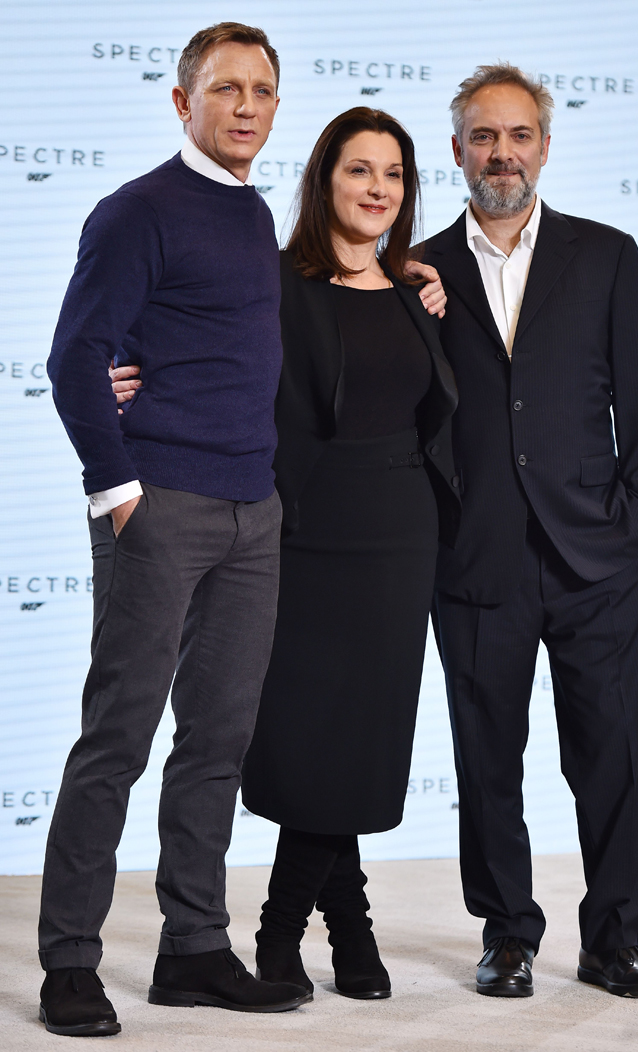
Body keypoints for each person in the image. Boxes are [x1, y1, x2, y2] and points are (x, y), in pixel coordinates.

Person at [112, 107, 460, 1003]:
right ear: (324, 180)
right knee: (310, 738)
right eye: (359, 170)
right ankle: (323, 929)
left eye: (393, 174)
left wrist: (415, 283)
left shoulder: (419, 289)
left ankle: (308, 929)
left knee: (362, 738)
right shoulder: (271, 280)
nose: (377, 188)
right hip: (300, 529)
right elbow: (194, 342)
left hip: (399, 537)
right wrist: (129, 375)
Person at [39, 22, 313, 1037]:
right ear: (182, 101)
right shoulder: (137, 211)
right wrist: (119, 492)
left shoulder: (252, 213)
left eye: (262, 90)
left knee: (217, 740)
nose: (246, 106)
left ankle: (194, 947)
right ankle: (70, 961)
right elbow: (77, 357)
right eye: (226, 88)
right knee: (118, 734)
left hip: (253, 510)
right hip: (162, 505)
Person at [421, 63, 638, 999]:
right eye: (485, 137)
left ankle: (614, 940)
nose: (503, 153)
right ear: (457, 151)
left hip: (596, 560)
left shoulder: (607, 256)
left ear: (545, 147)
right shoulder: (418, 269)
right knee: (487, 760)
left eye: (519, 135)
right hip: (474, 557)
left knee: (611, 758)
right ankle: (507, 935)